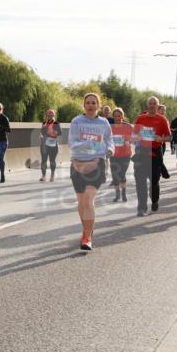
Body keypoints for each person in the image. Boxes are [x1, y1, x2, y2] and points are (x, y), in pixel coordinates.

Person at [68, 93, 114, 250]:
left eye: (94, 102)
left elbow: (109, 140)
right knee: (81, 203)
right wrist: (90, 142)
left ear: (98, 105)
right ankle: (86, 230)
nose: (90, 105)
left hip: (97, 163)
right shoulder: (76, 121)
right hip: (77, 164)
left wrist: (109, 149)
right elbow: (72, 143)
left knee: (88, 199)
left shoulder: (104, 122)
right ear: (84, 105)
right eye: (87, 102)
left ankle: (87, 237)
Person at [131, 97, 171, 216]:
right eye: (150, 103)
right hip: (141, 154)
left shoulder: (162, 119)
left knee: (154, 182)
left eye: (154, 104)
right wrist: (135, 137)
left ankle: (154, 200)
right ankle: (141, 207)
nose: (152, 105)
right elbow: (134, 135)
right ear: (147, 105)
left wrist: (162, 139)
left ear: (158, 106)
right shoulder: (141, 118)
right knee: (140, 182)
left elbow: (169, 137)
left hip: (155, 154)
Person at [109, 107, 133, 202]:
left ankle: (123, 193)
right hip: (114, 155)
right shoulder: (110, 127)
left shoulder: (128, 126)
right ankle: (117, 195)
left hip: (125, 155)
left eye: (119, 116)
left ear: (122, 116)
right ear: (113, 117)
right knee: (115, 175)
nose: (117, 118)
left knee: (122, 174)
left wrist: (128, 139)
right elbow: (106, 139)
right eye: (115, 116)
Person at [39, 109, 62, 181]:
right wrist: (41, 135)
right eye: (49, 114)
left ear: (53, 115)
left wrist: (55, 133)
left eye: (51, 114)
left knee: (52, 160)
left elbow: (60, 133)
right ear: (47, 115)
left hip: (53, 144)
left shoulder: (56, 123)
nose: (50, 116)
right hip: (44, 144)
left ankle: (52, 175)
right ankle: (43, 176)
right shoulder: (44, 123)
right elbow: (42, 132)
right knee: (43, 160)